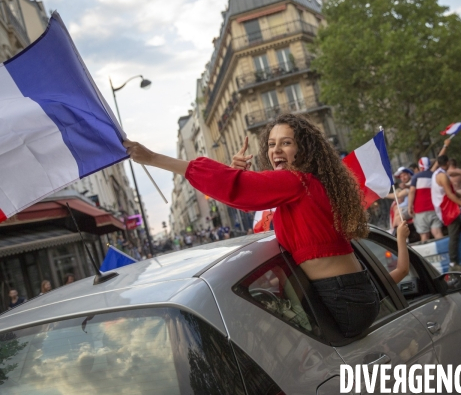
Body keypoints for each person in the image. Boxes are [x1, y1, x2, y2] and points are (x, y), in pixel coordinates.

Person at [124, 113, 380, 338]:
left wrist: (154, 158)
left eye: (286, 143)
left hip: (344, 300)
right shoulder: (304, 184)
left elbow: (240, 191)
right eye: (271, 144)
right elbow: (246, 197)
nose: (276, 150)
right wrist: (237, 176)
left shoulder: (297, 182)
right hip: (347, 294)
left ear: (304, 149)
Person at [432, 155, 461, 272]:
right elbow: (450, 195)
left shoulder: (437, 173)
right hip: (448, 209)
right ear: (447, 163)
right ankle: (453, 263)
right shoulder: (443, 176)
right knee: (454, 235)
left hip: (445, 207)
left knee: (456, 233)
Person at [408, 156, 444, 242]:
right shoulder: (435, 175)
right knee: (437, 232)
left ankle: (428, 255)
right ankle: (445, 254)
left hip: (420, 210)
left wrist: (410, 206)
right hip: (434, 208)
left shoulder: (416, 177)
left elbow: (412, 191)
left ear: (420, 166)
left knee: (424, 236)